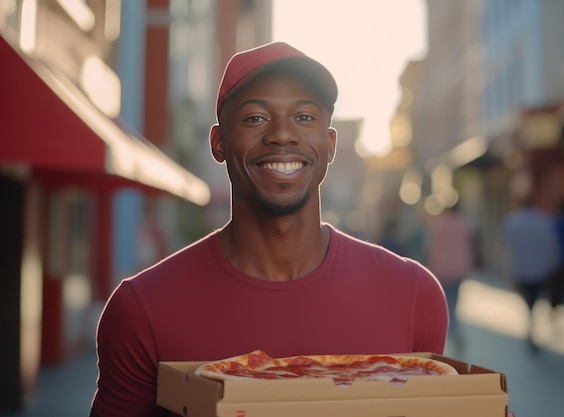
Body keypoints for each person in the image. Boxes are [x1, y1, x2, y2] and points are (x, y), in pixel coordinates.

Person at [88, 42, 449, 417]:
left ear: (330, 144)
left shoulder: (412, 295)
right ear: (219, 143)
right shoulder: (141, 309)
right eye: (255, 118)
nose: (282, 134)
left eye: (304, 117)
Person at [502, 196, 560, 354]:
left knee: (529, 302)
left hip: (522, 271)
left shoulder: (512, 222)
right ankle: (532, 326)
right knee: (534, 301)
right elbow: (552, 246)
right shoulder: (544, 221)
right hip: (540, 270)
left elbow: (508, 249)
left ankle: (531, 326)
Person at [426, 204, 474, 351]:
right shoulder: (463, 226)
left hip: (443, 270)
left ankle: (453, 331)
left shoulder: (440, 226)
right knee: (454, 303)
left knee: (447, 305)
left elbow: (434, 249)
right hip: (459, 270)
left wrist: (432, 267)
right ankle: (455, 331)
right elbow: (469, 247)